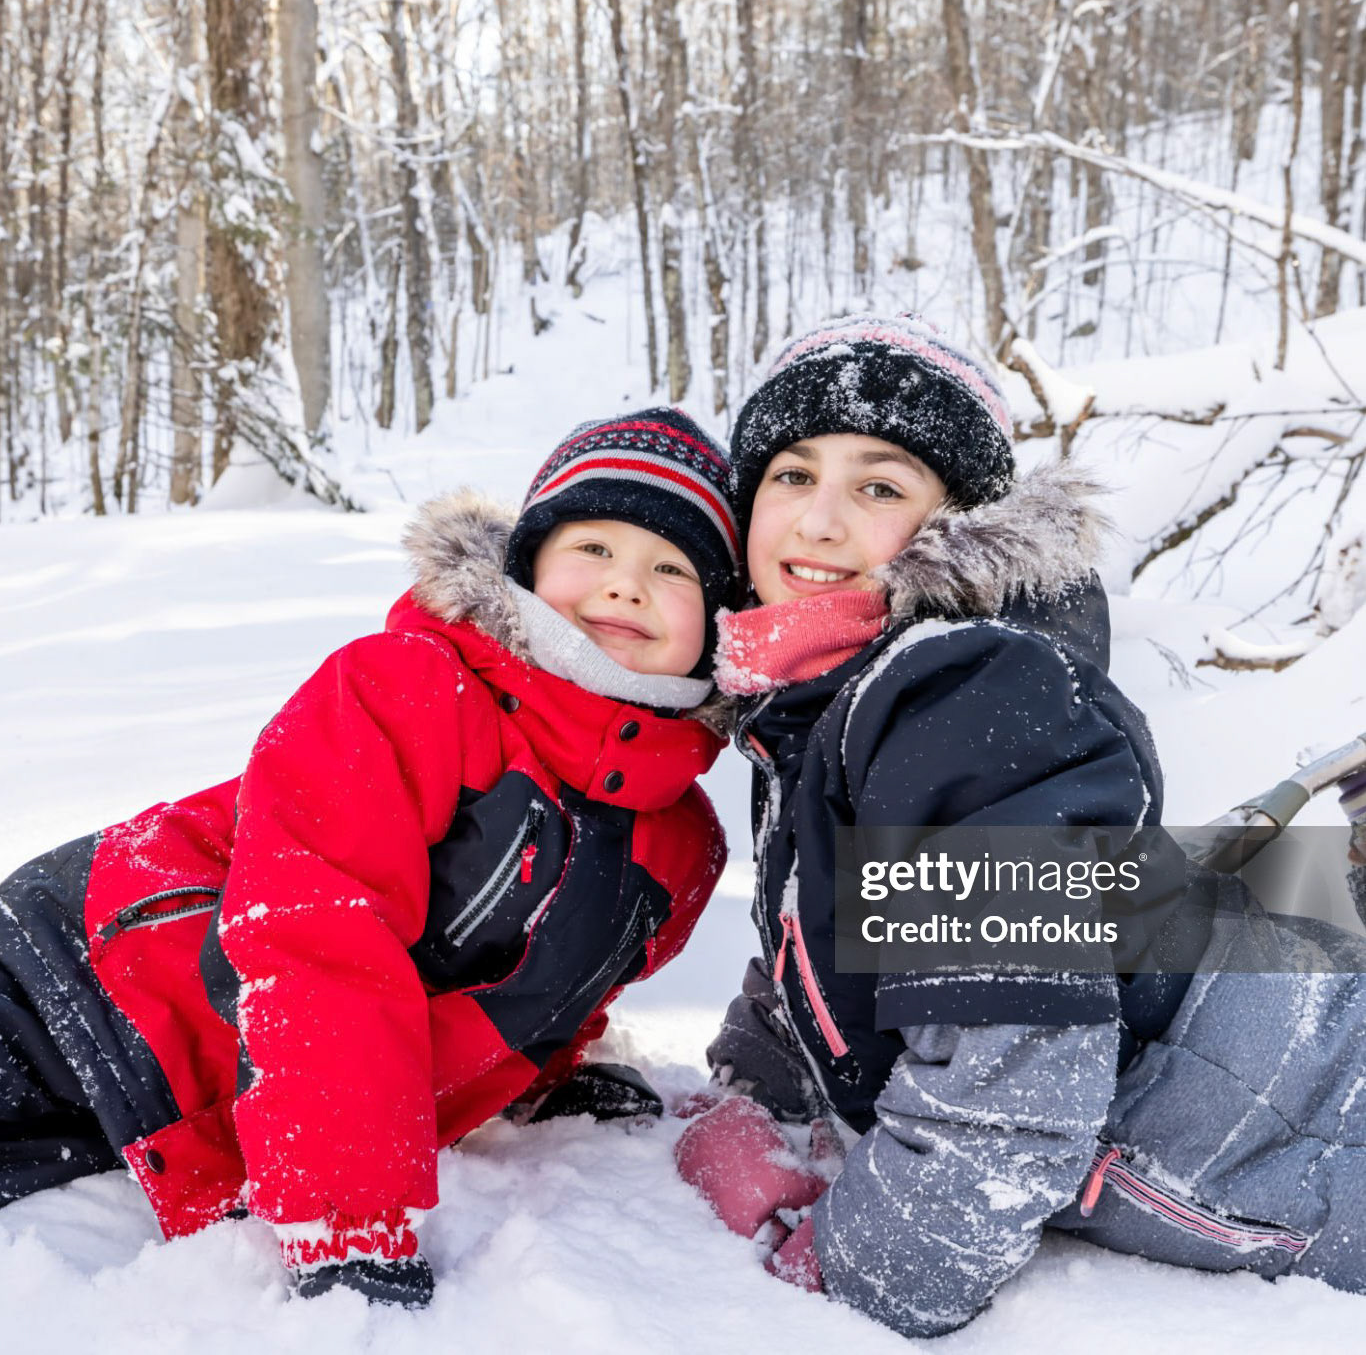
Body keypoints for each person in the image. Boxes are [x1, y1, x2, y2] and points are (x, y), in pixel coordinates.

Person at [676, 314, 1366, 1337]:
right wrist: (756, 1090)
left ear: (956, 525)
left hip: (1315, 1124)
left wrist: (855, 1269)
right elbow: (815, 938)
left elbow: (1008, 1105)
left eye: (878, 487)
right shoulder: (820, 701)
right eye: (789, 476)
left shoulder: (957, 691)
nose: (817, 524)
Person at [0, 408, 737, 1308]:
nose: (626, 587)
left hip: (176, 1097)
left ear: (718, 621)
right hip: (77, 976)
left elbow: (551, 973)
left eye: (670, 569)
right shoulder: (411, 689)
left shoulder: (680, 844)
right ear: (527, 566)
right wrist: (347, 1213)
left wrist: (549, 1077)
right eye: (593, 546)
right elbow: (316, 941)